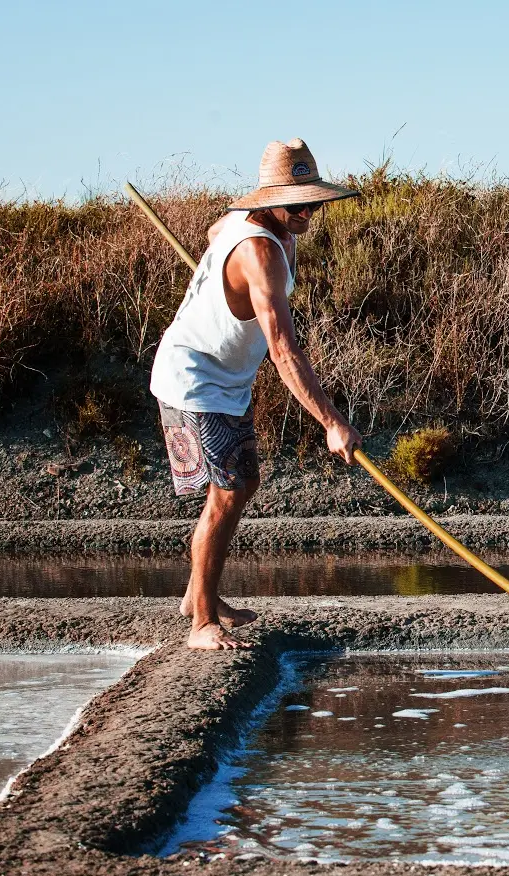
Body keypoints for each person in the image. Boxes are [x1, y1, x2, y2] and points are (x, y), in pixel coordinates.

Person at [149, 139, 362, 650]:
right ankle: (202, 622)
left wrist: (215, 271)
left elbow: (212, 230)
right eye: (299, 204)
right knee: (226, 491)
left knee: (242, 483)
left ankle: (198, 595)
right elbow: (284, 350)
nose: (309, 212)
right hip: (194, 379)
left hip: (223, 380)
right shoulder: (261, 249)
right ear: (270, 201)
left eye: (314, 201)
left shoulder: (253, 222)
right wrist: (332, 422)